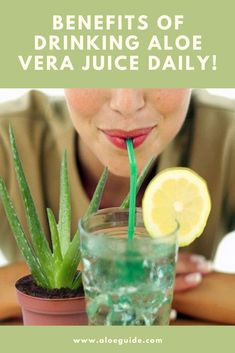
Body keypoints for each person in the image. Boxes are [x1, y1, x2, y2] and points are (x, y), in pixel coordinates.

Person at [0, 88, 235, 323]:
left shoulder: (226, 134)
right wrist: (124, 276)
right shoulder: (6, 138)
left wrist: (114, 282)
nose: (126, 103)